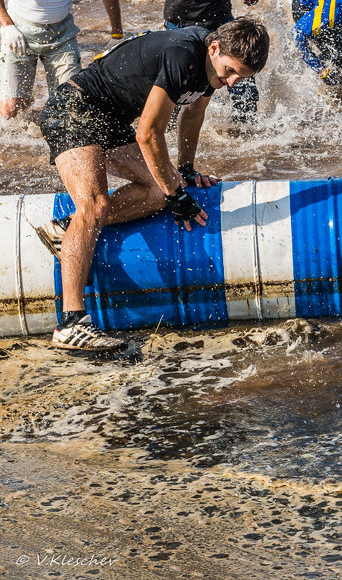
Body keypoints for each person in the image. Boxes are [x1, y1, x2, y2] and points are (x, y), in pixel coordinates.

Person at [33, 19, 268, 351]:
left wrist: (184, 171)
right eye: (231, 71)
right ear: (215, 48)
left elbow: (193, 114)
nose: (231, 82)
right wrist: (178, 194)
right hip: (74, 107)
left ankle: (65, 231)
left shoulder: (210, 64)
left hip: (109, 119)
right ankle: (70, 324)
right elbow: (147, 133)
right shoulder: (182, 55)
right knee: (95, 205)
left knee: (157, 191)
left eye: (241, 78)